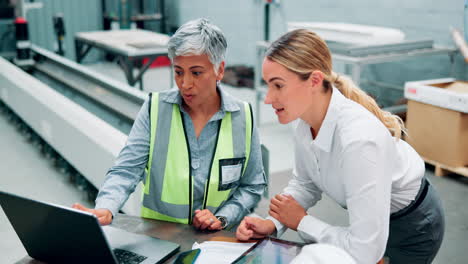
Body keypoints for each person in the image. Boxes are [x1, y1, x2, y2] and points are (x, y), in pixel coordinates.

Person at [236, 29, 445, 264]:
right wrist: (273, 223)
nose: (267, 98)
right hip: (373, 222)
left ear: (314, 81)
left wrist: (302, 221)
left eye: (278, 85)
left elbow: (365, 251)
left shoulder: (360, 140)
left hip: (412, 228)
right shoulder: (305, 120)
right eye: (268, 85)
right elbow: (306, 183)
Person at [73, 18, 266, 231]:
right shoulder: (155, 109)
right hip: (160, 237)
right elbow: (127, 170)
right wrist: (107, 207)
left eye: (196, 72)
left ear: (219, 70)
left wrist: (223, 217)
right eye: (178, 71)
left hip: (218, 242)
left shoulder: (243, 117)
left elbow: (252, 185)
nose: (185, 84)